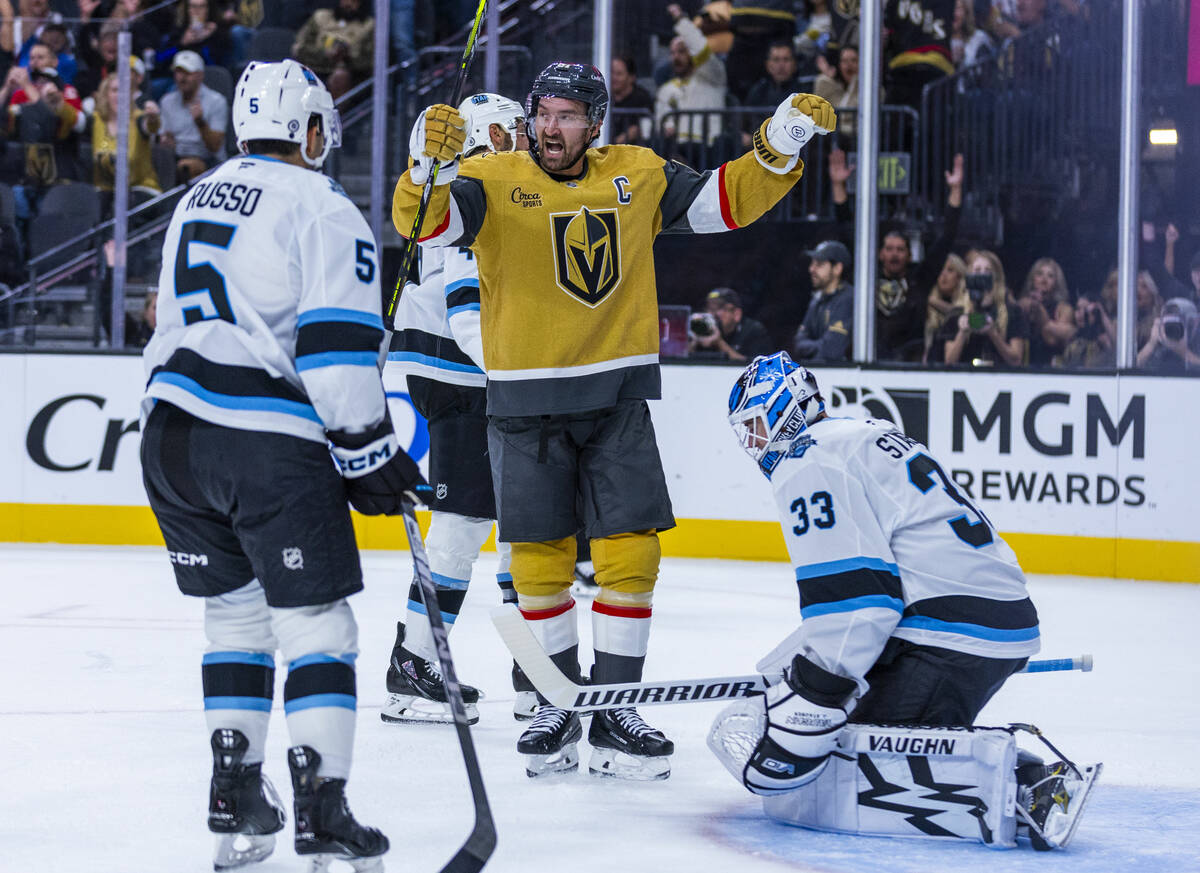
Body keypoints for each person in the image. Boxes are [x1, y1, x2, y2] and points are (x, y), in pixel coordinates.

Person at [393, 62, 836, 780]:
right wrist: (424, 170)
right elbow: (427, 225)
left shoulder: (639, 172)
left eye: (567, 116)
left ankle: (616, 709)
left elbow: (724, 202)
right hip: (523, 404)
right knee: (538, 563)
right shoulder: (494, 177)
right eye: (542, 112)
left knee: (631, 556)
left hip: (616, 400)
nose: (549, 127)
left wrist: (776, 148)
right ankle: (555, 702)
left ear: (595, 123)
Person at [141, 59, 422, 873]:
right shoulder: (322, 204)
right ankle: (323, 809)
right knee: (317, 626)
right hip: (261, 438)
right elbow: (335, 353)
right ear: (309, 128)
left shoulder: (197, 194)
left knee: (234, 618)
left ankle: (235, 790)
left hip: (168, 434)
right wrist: (372, 455)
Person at [710, 352, 1098, 850]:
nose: (755, 444)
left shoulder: (807, 458)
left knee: (852, 759)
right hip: (989, 616)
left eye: (757, 427)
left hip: (951, 630)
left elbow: (859, 606)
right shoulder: (862, 433)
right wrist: (794, 666)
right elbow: (875, 591)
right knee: (845, 721)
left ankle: (1030, 786)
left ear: (787, 406)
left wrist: (815, 694)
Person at [383, 91, 527, 727]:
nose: (521, 137)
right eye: (511, 128)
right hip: (466, 379)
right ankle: (421, 664)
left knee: (511, 522)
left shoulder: (455, 186)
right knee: (482, 526)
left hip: (458, 378)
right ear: (481, 133)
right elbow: (470, 310)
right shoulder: (473, 189)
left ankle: (523, 668)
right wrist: (521, 376)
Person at [830, 149, 964, 361]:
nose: (894, 255)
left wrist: (955, 190)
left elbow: (946, 239)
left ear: (910, 255)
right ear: (880, 254)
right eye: (890, 249)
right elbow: (846, 230)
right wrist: (838, 185)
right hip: (866, 360)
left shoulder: (918, 280)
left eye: (900, 250)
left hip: (909, 365)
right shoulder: (866, 277)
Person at [656, 3, 728, 163]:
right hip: (678, 154)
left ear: (692, 53)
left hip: (709, 152)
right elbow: (662, 122)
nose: (676, 57)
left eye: (681, 51)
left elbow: (700, 48)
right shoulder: (666, 89)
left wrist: (681, 21)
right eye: (673, 53)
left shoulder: (714, 76)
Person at [936, 249, 1029, 366]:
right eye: (977, 270)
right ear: (969, 277)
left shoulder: (1013, 312)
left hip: (1000, 378)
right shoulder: (957, 314)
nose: (981, 275)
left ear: (996, 278)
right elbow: (949, 362)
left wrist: (993, 333)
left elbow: (1016, 360)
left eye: (987, 271)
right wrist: (962, 332)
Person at [158, 50, 228, 183]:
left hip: (207, 160)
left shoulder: (217, 101)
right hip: (175, 156)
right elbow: (164, 136)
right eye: (178, 72)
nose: (182, 78)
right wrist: (165, 140)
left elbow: (215, 147)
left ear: (200, 76)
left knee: (186, 167)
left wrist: (200, 122)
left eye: (187, 73)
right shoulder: (166, 101)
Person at [91, 72, 161, 198]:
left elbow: (151, 127)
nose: (119, 95)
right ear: (106, 94)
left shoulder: (138, 118)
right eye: (114, 90)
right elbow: (74, 121)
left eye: (124, 91)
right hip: (106, 191)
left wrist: (153, 118)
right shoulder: (97, 120)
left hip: (140, 190)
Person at [791, 239, 853, 362]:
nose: (811, 269)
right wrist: (819, 346)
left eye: (819, 264)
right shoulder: (817, 299)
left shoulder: (848, 299)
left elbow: (831, 350)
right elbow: (798, 343)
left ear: (837, 269)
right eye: (812, 263)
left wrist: (812, 347)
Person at [689, 287, 773, 362]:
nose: (712, 314)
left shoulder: (753, 330)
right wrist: (693, 340)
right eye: (709, 309)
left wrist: (719, 342)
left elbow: (757, 369)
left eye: (718, 308)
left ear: (737, 314)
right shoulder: (702, 328)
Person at [1017, 257, 1075, 367]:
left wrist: (1039, 309)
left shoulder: (1064, 309)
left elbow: (1052, 340)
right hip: (1023, 368)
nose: (1044, 280)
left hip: (1051, 370)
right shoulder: (1022, 305)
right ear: (1032, 279)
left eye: (1050, 276)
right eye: (1039, 274)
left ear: (1057, 282)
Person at [1136, 297, 1200, 373]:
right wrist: (1151, 344)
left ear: (1194, 322)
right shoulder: (1158, 347)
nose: (1172, 327)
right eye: (1168, 322)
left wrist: (1184, 352)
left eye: (1179, 322)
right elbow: (1130, 371)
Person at [923, 252, 967, 360]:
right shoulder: (929, 307)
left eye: (950, 270)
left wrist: (931, 301)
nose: (943, 274)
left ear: (959, 277)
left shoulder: (968, 304)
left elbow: (958, 312)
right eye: (941, 270)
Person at [608, 53, 654, 146]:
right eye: (611, 73)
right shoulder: (604, 97)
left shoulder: (642, 98)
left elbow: (643, 130)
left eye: (619, 74)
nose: (613, 78)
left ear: (631, 77)